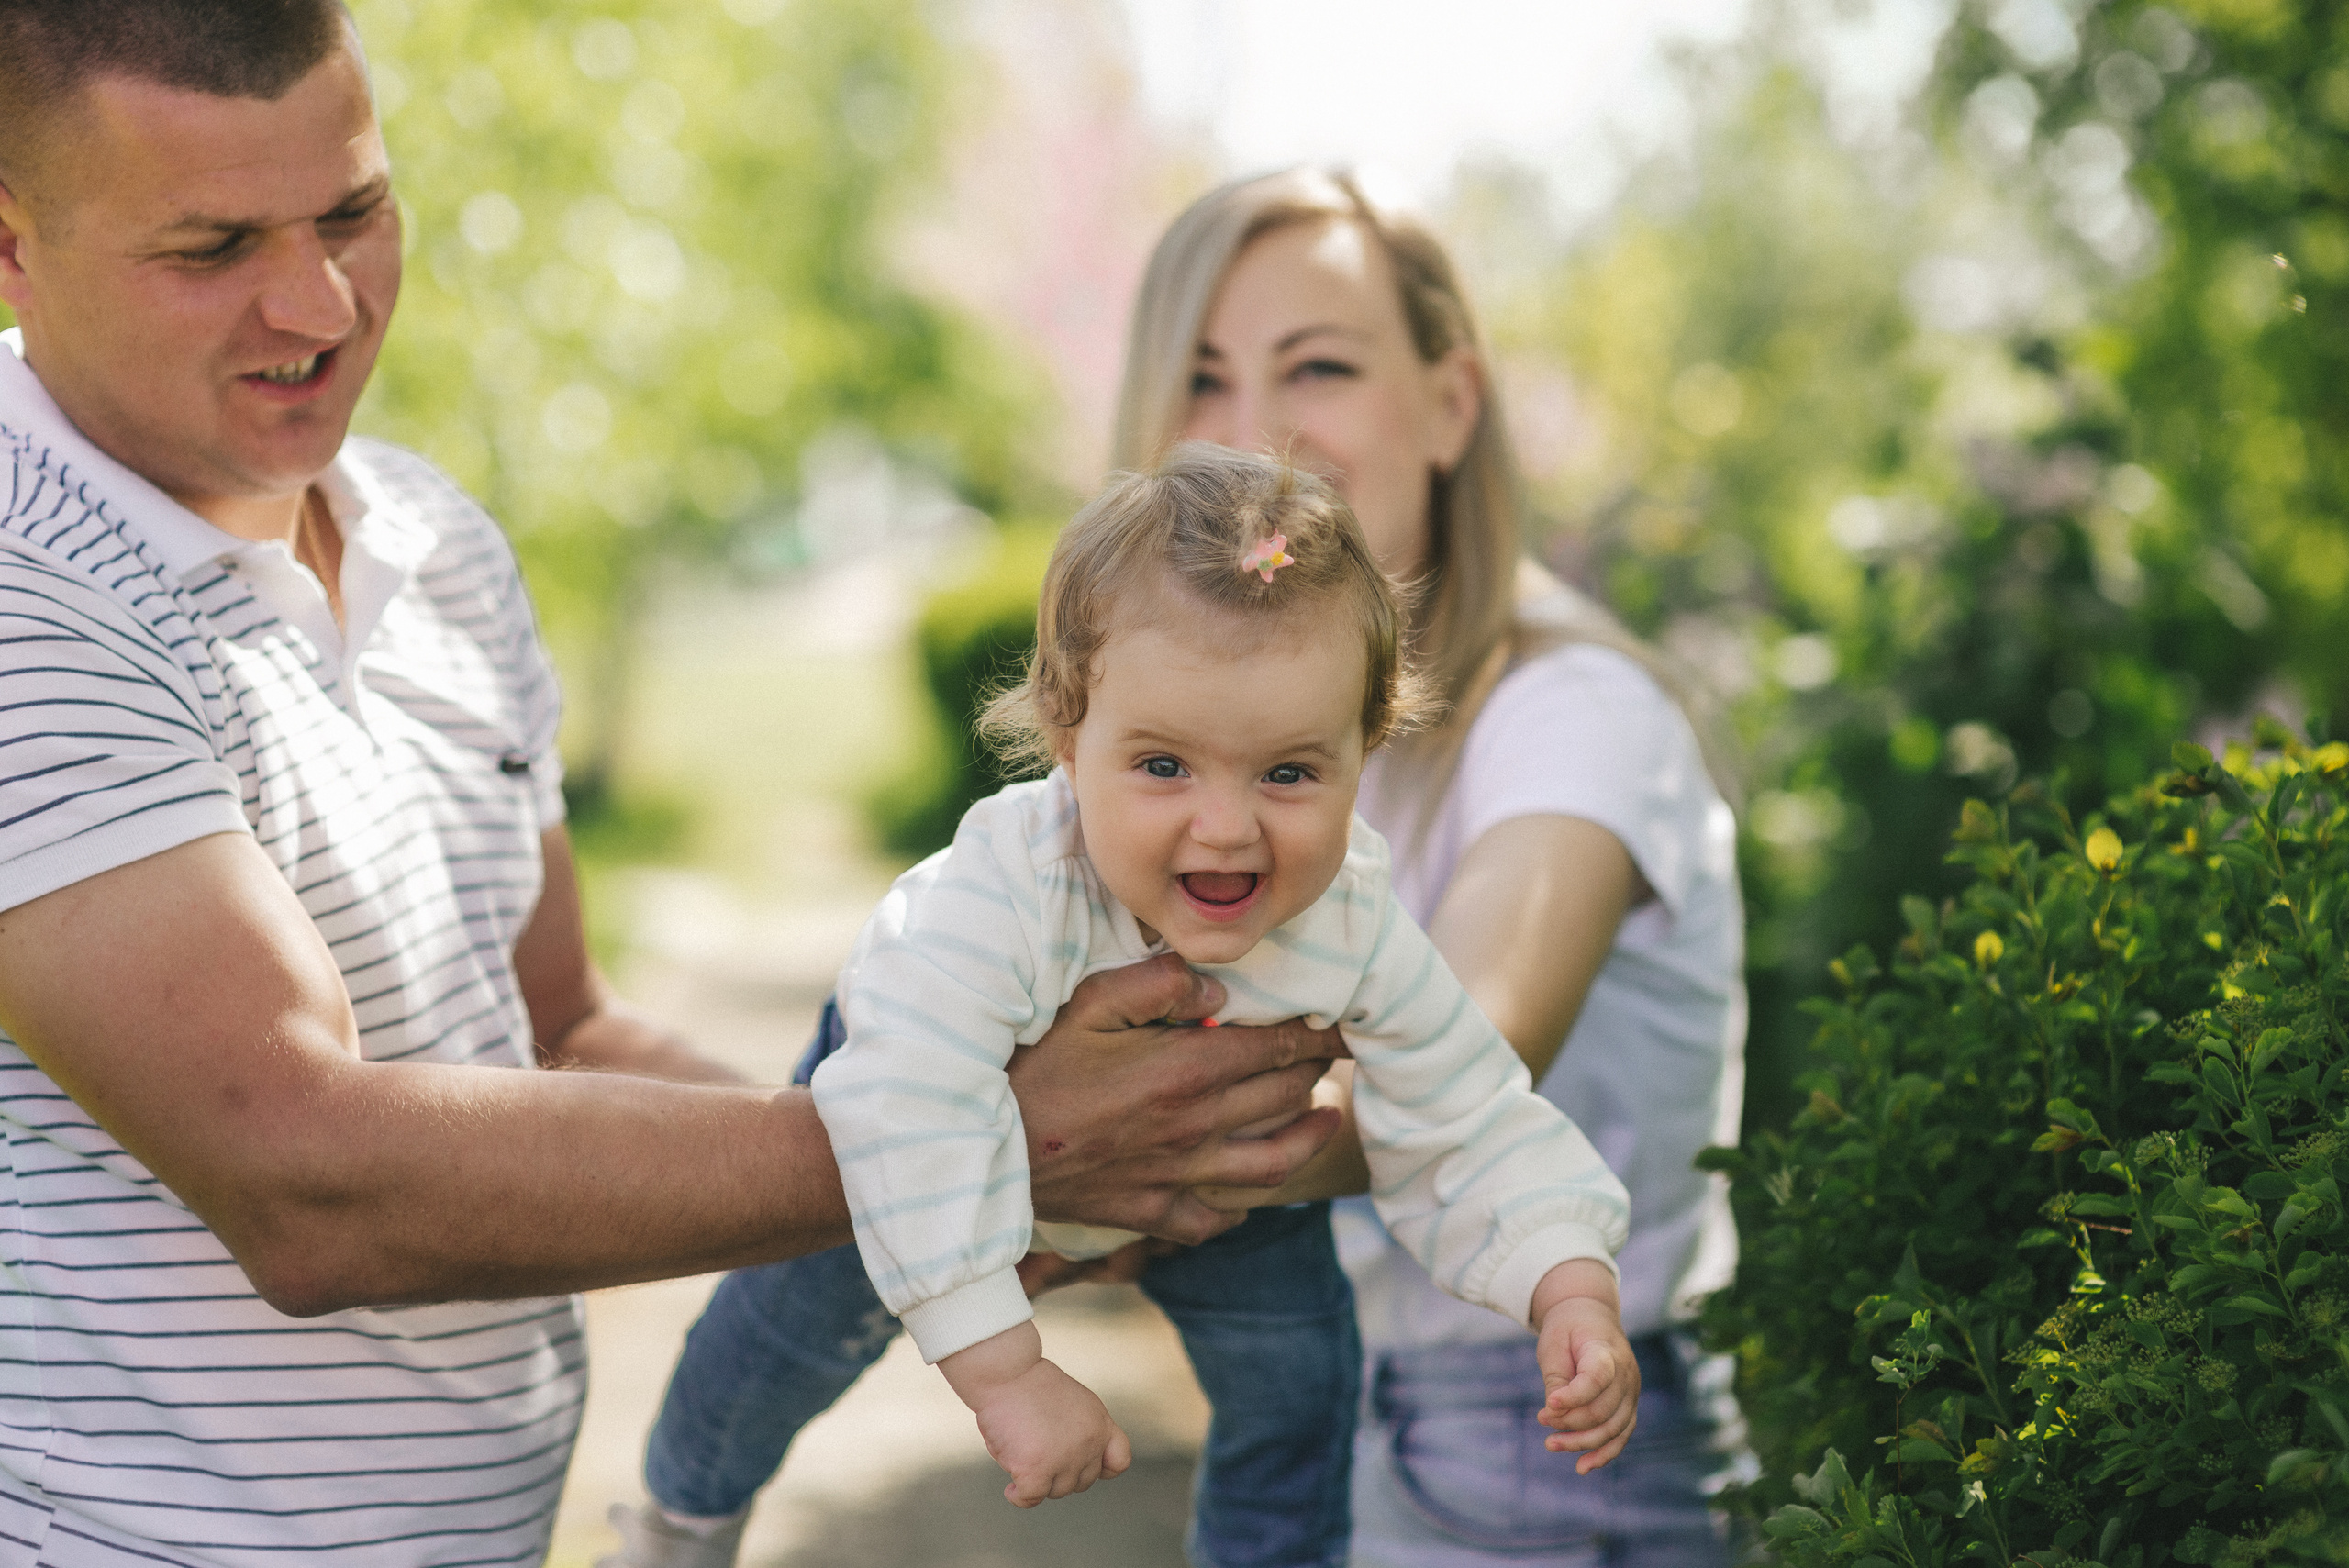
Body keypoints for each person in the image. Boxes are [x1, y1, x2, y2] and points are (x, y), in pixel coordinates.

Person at [0, 6, 1345, 1562]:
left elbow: (557, 1024)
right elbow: (307, 1178)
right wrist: (976, 1144)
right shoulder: (27, 599)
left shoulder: (432, 539)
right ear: (16, 247)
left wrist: (984, 1192)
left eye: (355, 211)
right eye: (213, 242)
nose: (317, 300)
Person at [612, 446, 1640, 1568]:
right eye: (1163, 766)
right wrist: (1007, 1371)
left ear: (1366, 748)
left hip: (1212, 1175)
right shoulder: (999, 894)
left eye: (1290, 773)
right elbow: (909, 1105)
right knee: (780, 1334)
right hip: (918, 1117)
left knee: (1299, 1377)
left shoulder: (1347, 916)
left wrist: (1565, 1277)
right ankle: (679, 1520)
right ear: (1068, 732)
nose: (1226, 827)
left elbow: (1464, 1105)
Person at [1113, 169, 1753, 1567]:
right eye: (1201, 377)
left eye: (1319, 367)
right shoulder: (1287, 743)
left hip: (1546, 1442)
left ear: (1452, 404)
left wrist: (1102, 1159)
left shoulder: (1570, 710)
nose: (1253, 436)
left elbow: (1459, 1051)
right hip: (1345, 1419)